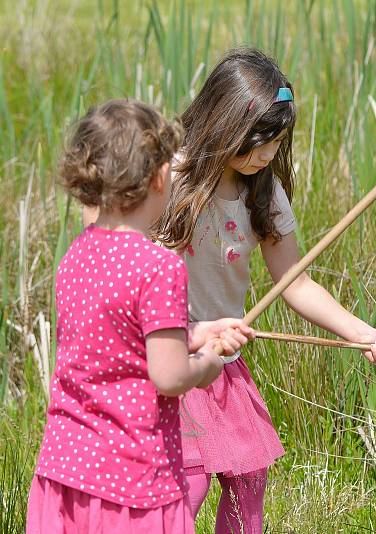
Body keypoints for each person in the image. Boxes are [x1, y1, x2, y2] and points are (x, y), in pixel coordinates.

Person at [155, 48, 376, 532]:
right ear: (220, 122)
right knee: (188, 483)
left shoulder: (263, 194)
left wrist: (362, 334)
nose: (266, 155)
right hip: (171, 353)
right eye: (255, 143)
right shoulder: (171, 176)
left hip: (222, 360)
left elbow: (296, 283)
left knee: (250, 475)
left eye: (275, 142)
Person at [29, 99, 253, 533]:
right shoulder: (159, 267)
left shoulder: (77, 254)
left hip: (66, 469)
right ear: (157, 178)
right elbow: (168, 376)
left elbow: (117, 340)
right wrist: (209, 362)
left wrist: (197, 331)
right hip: (132, 481)